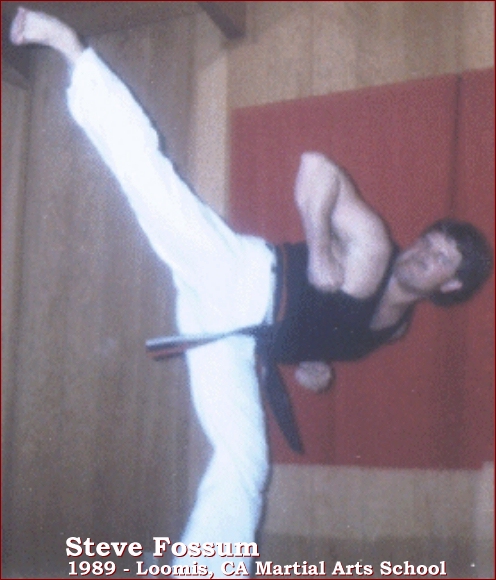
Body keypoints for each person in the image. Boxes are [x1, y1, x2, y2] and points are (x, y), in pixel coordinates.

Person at [10, 7, 493, 578]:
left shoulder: (395, 326)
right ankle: (71, 49)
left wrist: (311, 359)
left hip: (235, 337)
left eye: (441, 259)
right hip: (240, 278)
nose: (424, 254)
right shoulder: (374, 252)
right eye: (430, 242)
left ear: (450, 285)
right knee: (149, 179)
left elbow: (321, 323)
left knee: (246, 462)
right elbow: (317, 167)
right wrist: (319, 244)